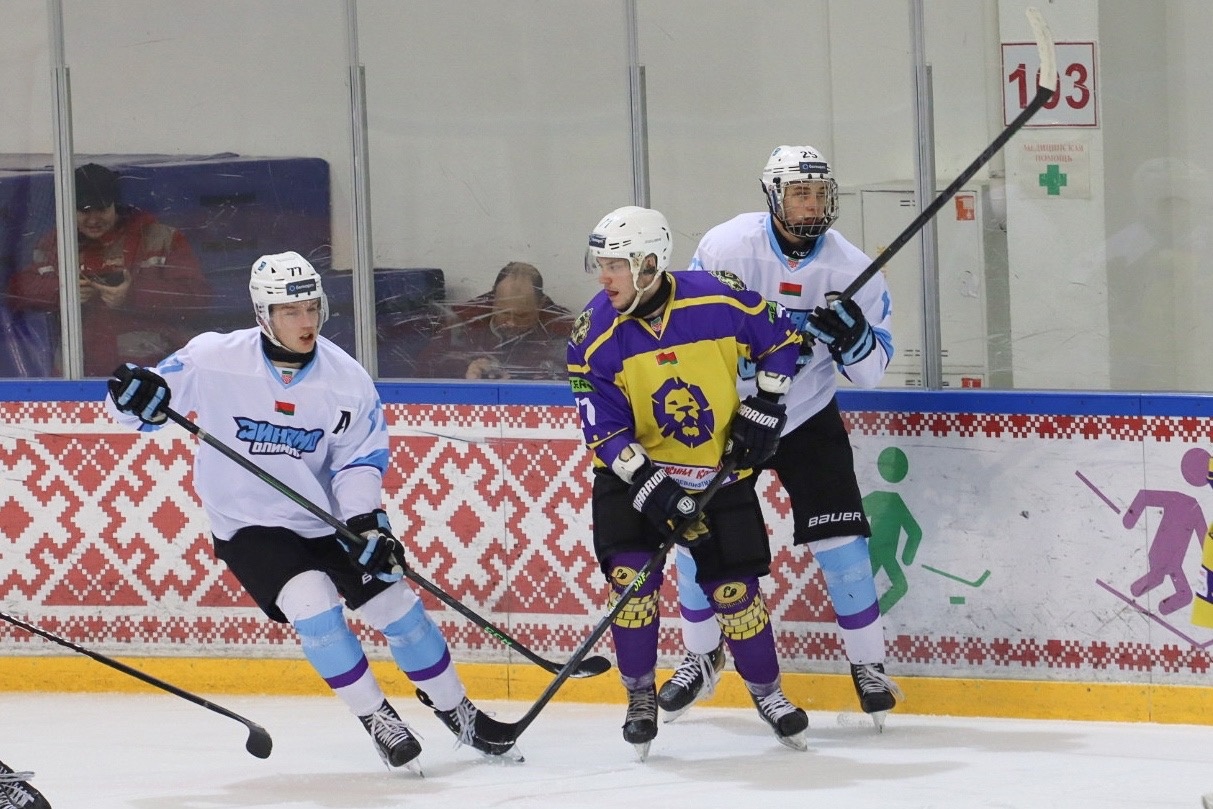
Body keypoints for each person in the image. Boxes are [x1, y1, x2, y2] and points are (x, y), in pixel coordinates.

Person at [104, 250, 517, 771]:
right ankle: (377, 718)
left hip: (325, 519)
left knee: (399, 611)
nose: (306, 322)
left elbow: (358, 461)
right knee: (315, 608)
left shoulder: (346, 379)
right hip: (250, 526)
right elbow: (140, 408)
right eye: (291, 312)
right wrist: (131, 395)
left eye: (312, 308)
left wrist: (367, 525)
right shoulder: (213, 358)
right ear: (264, 314)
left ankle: (459, 712)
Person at [666, 144, 902, 729]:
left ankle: (869, 665)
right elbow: (688, 328)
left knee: (842, 544)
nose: (812, 204)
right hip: (733, 415)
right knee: (697, 538)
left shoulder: (851, 268)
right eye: (800, 193)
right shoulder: (726, 248)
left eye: (820, 193)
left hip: (806, 415)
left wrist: (852, 340)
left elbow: (872, 373)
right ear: (774, 196)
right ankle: (701, 656)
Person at [567, 205, 808, 758]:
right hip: (632, 477)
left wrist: (767, 404)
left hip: (716, 471)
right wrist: (649, 483)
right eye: (600, 265)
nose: (603, 278)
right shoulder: (592, 334)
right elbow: (602, 429)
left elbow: (782, 338)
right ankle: (639, 697)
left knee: (734, 593)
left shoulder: (717, 297)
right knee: (631, 584)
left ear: (649, 264)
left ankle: (769, 695)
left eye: (615, 265)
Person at [6, 162, 211, 377]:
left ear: (115, 205)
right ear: (69, 209)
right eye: (84, 211)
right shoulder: (55, 244)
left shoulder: (161, 238)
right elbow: (18, 291)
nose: (93, 219)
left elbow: (198, 298)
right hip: (74, 379)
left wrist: (132, 295)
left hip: (151, 378)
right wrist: (63, 291)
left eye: (102, 209)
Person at [418, 261, 573, 380]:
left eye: (522, 316)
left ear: (541, 305)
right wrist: (466, 370)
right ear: (493, 299)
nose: (511, 323)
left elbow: (579, 379)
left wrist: (541, 377)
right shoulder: (464, 320)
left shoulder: (561, 328)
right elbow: (423, 372)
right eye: (503, 313)